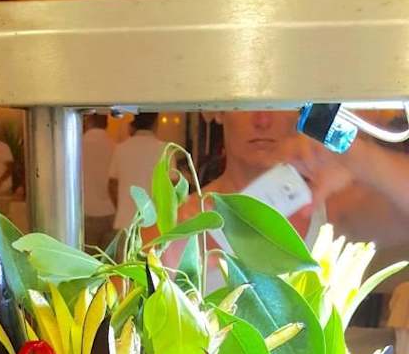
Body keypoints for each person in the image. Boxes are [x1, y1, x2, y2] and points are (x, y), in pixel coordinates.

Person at [172, 111, 409, 258]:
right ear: (215, 110)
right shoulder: (179, 221)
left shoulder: (331, 209)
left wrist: (358, 157)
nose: (262, 120)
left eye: (277, 102)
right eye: (245, 103)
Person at [108, 112, 166, 232]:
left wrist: (122, 208)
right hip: (156, 223)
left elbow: (112, 185)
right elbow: (173, 186)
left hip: (125, 222)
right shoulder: (165, 149)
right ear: (155, 123)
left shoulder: (121, 148)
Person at [82, 113, 114, 250]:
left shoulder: (76, 145)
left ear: (89, 120)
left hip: (86, 212)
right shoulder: (115, 146)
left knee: (86, 260)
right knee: (109, 260)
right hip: (110, 213)